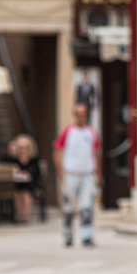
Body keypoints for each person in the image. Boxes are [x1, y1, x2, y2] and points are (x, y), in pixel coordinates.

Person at [54, 104, 102, 247]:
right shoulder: (68, 131)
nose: (81, 117)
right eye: (78, 115)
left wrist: (98, 173)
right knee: (68, 206)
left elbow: (96, 153)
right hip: (71, 174)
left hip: (87, 174)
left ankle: (87, 235)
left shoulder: (91, 132)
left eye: (83, 114)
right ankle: (68, 235)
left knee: (86, 206)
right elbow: (57, 150)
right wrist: (61, 172)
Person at [3, 134, 41, 224]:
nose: (23, 150)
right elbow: (7, 166)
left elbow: (35, 173)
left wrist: (28, 174)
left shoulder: (33, 160)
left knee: (26, 192)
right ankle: (20, 215)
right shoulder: (14, 159)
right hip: (18, 183)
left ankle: (25, 216)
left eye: (26, 148)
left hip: (30, 183)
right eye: (21, 148)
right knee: (17, 192)